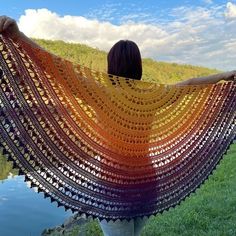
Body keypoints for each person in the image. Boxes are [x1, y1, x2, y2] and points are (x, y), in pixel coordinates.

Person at [0, 15, 235, 236]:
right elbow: (191, 83)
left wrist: (19, 36)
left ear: (111, 64)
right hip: (146, 185)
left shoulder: (101, 93)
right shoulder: (151, 95)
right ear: (138, 66)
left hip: (114, 187)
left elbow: (57, 68)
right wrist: (225, 74)